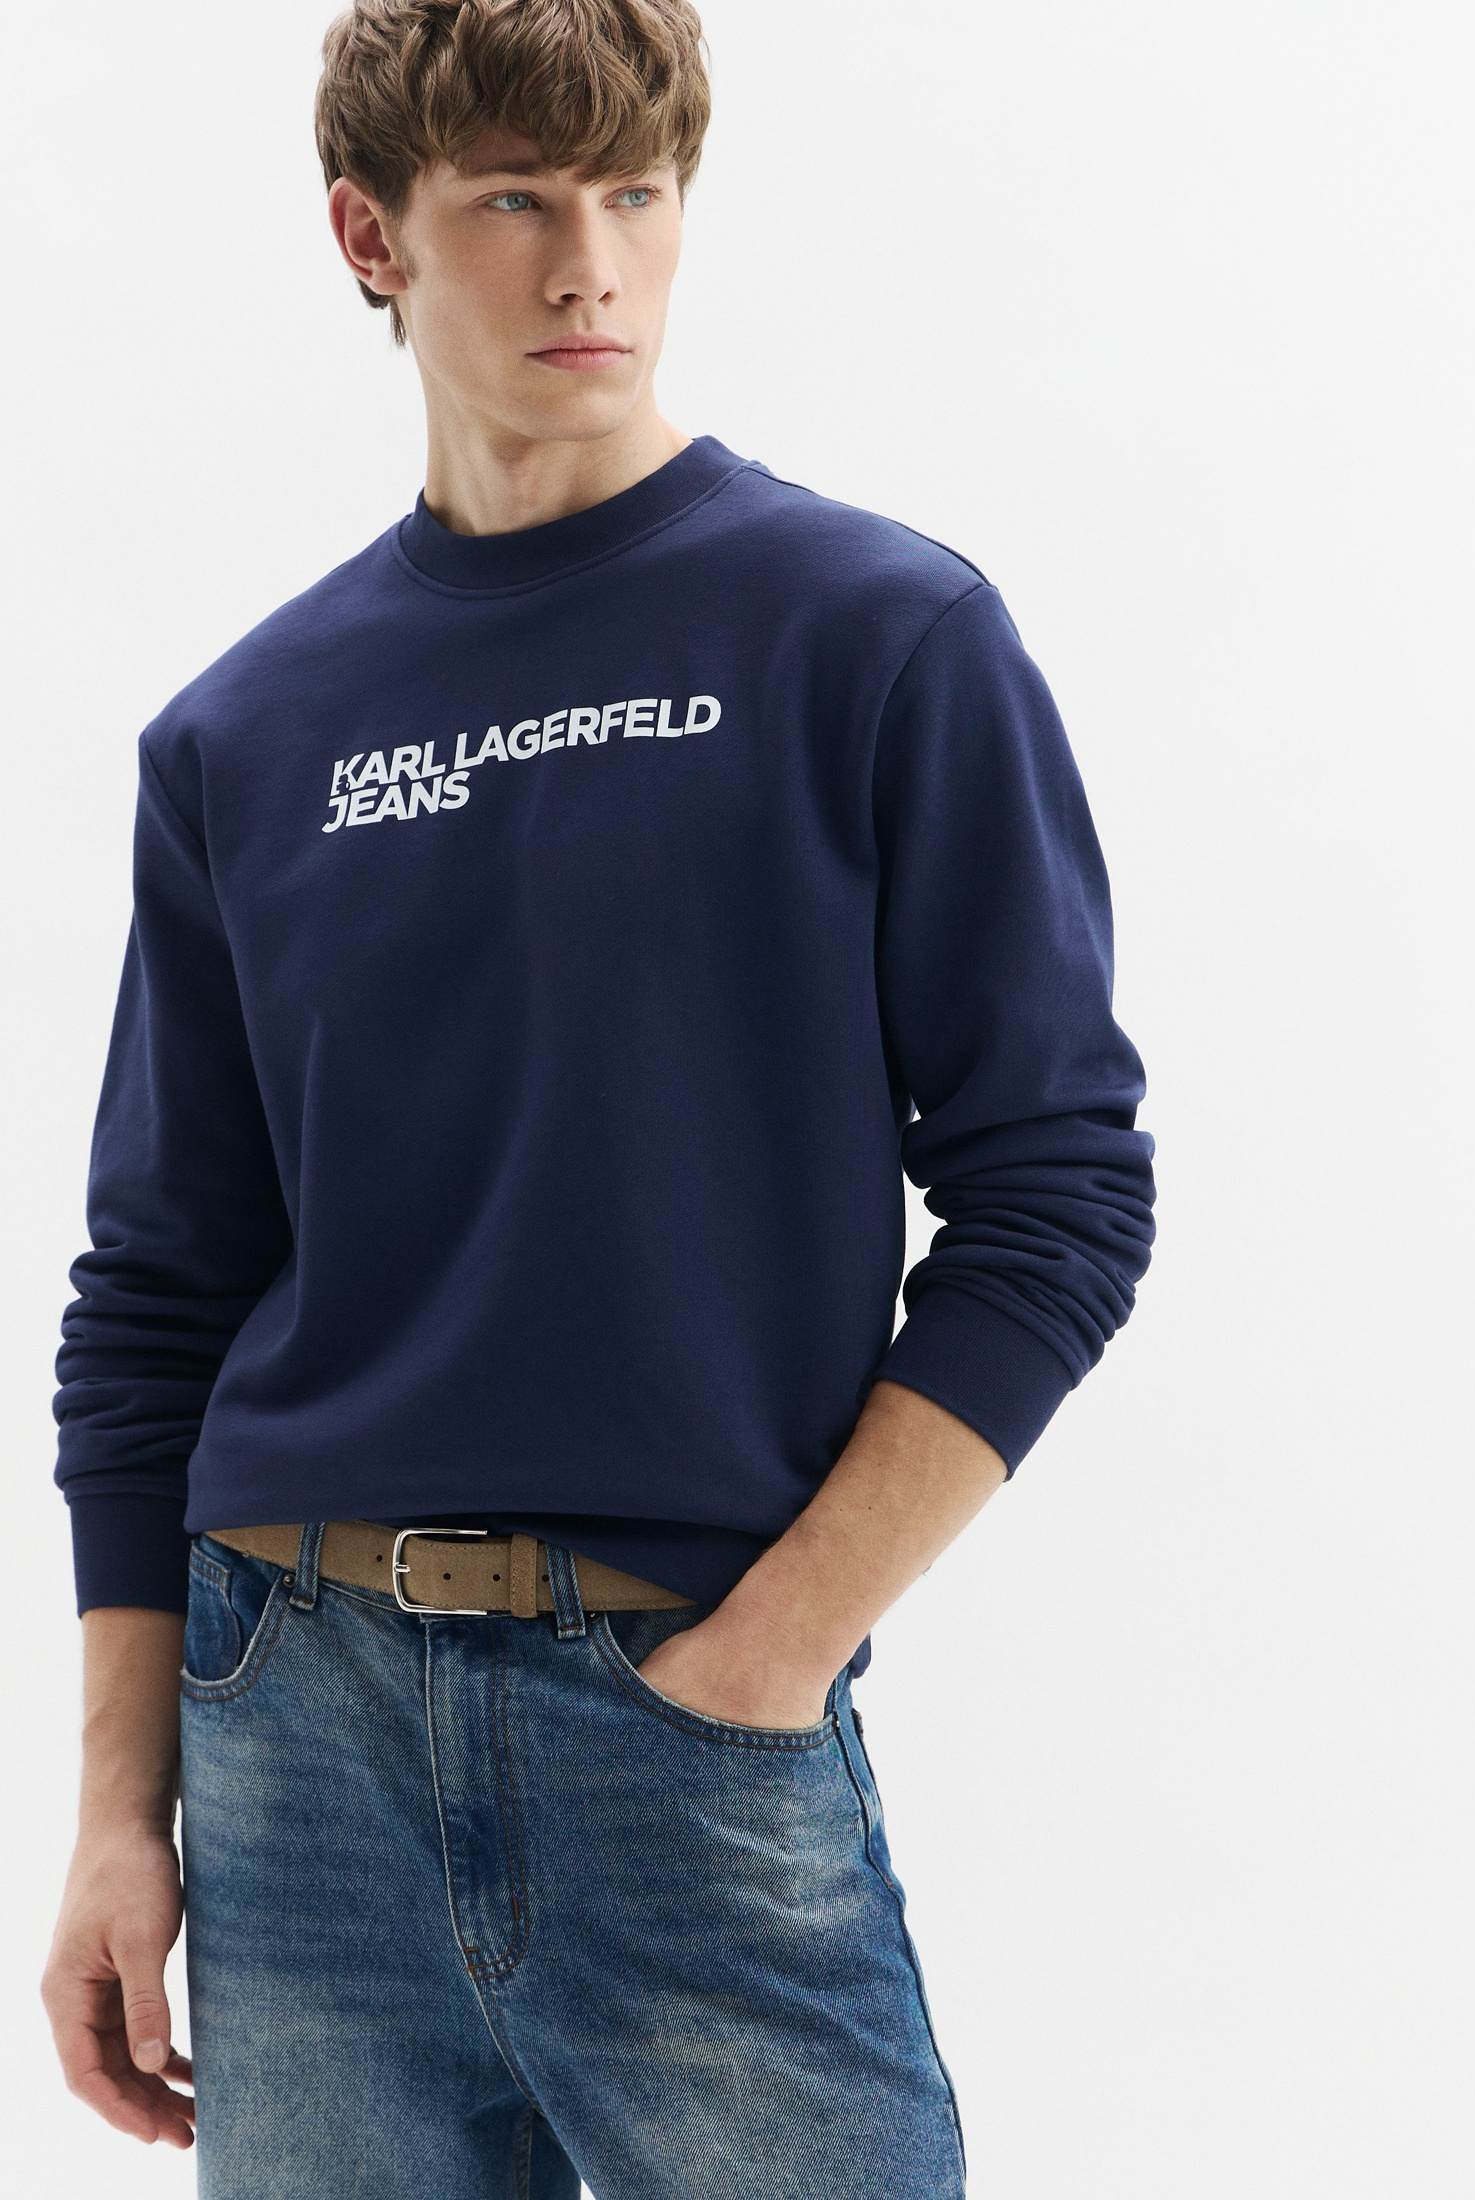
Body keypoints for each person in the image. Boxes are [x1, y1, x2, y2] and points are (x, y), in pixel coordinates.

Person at [38, 3, 1156, 2192]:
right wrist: (115, 1807)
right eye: (515, 201)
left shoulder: (876, 635)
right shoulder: (243, 737)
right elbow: (156, 1295)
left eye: (638, 193)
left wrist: (776, 1648)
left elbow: (1058, 1198)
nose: (593, 266)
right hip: (295, 1737)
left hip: (686, 1711)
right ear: (371, 236)